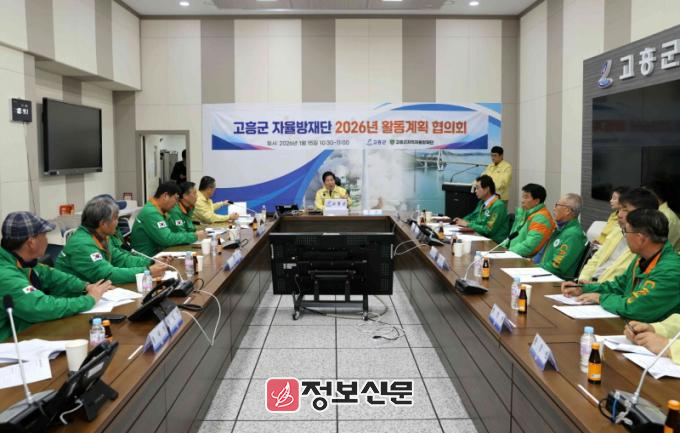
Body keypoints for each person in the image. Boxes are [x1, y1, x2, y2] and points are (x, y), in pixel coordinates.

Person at [0, 212, 112, 341]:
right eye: (44, 235)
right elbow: (40, 307)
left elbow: (54, 277)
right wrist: (89, 300)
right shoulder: (5, 275)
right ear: (31, 242)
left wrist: (86, 287)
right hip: (8, 344)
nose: (47, 240)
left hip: (27, 332)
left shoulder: (22, 262)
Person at [562, 208, 680, 323]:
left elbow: (638, 308)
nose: (625, 236)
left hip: (651, 331)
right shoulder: (641, 258)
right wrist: (583, 289)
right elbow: (620, 286)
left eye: (625, 232)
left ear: (640, 238)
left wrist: (599, 298)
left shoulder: (670, 270)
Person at [56, 196, 166, 284]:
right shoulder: (82, 244)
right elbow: (107, 274)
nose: (117, 223)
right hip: (73, 297)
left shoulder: (101, 236)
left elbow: (120, 259)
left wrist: (151, 261)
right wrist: (147, 271)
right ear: (103, 223)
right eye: (115, 219)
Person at [578, 188, 658, 283]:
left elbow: (623, 284)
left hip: (604, 288)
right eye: (619, 209)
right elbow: (596, 259)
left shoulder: (645, 246)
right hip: (592, 284)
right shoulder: (617, 230)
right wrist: (582, 280)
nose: (619, 215)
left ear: (643, 214)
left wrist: (593, 287)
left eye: (626, 210)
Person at [131, 182, 205, 256]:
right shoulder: (151, 213)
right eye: (176, 199)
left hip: (159, 253)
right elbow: (167, 239)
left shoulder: (159, 210)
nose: (176, 204)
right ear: (165, 196)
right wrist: (194, 236)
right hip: (147, 258)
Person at [537, 193, 587, 280]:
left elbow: (556, 267)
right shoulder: (561, 230)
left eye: (557, 205)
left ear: (567, 211)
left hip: (556, 281)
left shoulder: (573, 235)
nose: (554, 208)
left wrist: (533, 268)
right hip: (545, 275)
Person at [504, 183, 555, 258]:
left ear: (537, 201)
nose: (522, 201)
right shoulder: (524, 213)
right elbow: (510, 238)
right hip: (513, 254)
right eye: (522, 197)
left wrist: (507, 253)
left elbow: (530, 246)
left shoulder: (541, 218)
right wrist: (501, 249)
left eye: (526, 197)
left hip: (526, 259)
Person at [453, 175, 509, 243]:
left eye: (477, 188)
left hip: (494, 243)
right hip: (481, 238)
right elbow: (473, 217)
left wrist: (468, 224)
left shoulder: (498, 206)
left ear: (487, 189)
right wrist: (462, 221)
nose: (475, 191)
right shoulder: (482, 203)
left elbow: (488, 230)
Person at [646, 179, 680, 251]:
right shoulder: (655, 212)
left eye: (645, 195)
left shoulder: (665, 216)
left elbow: (658, 248)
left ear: (655, 196)